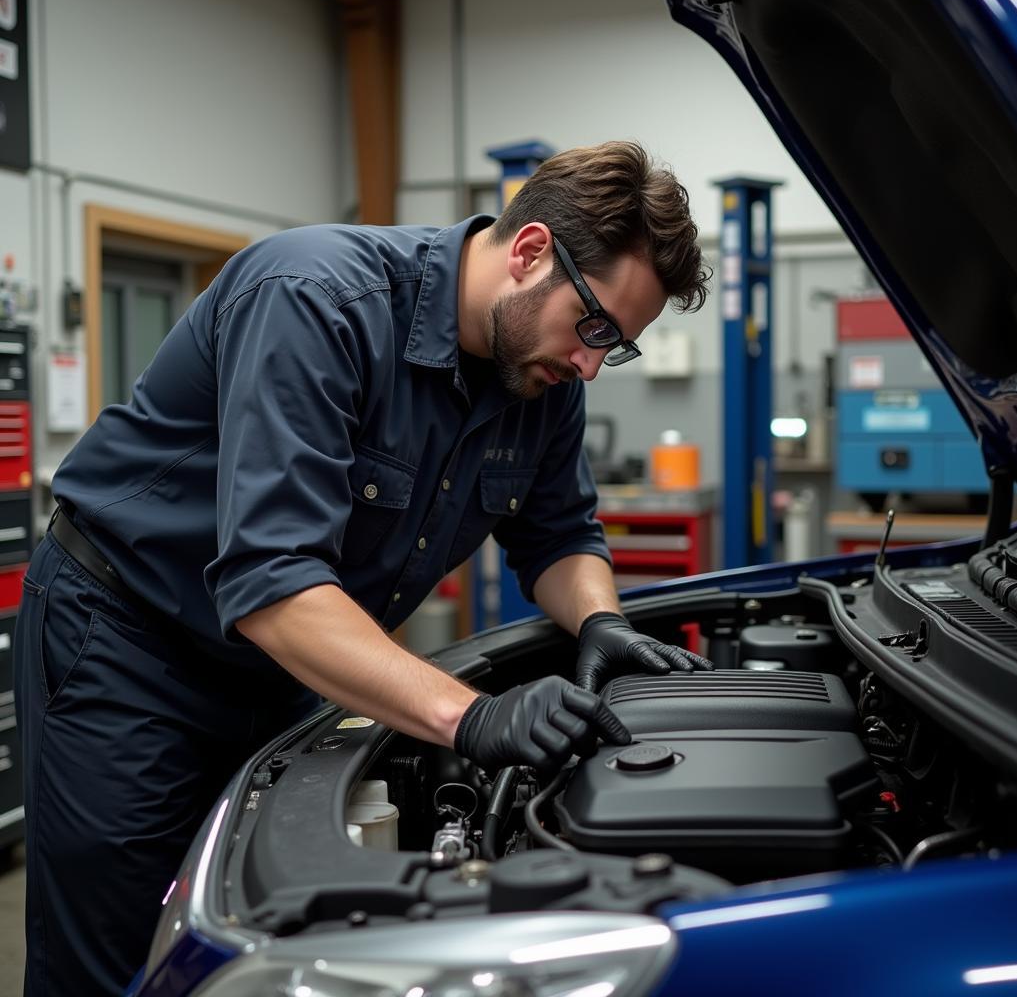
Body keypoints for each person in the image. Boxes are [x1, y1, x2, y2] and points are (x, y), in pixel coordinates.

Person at [13, 140, 713, 996]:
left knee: (259, 941)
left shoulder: (542, 377)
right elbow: (273, 583)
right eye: (596, 326)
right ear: (530, 251)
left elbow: (559, 534)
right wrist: (471, 717)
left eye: (619, 347)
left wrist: (601, 621)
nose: (591, 364)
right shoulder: (314, 297)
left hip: (284, 667)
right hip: (128, 646)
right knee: (120, 958)